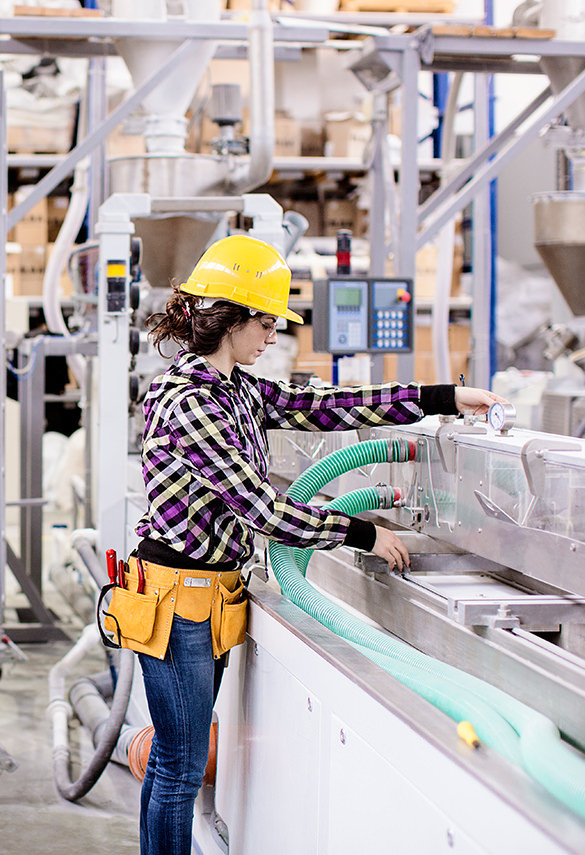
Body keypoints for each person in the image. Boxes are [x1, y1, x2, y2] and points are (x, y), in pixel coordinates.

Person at [134, 233, 507, 855]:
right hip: (177, 603)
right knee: (179, 764)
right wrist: (362, 530)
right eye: (267, 321)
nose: (273, 335)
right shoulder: (189, 402)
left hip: (209, 596)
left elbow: (329, 405)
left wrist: (441, 398)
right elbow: (260, 509)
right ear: (232, 319)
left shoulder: (239, 390)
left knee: (180, 756)